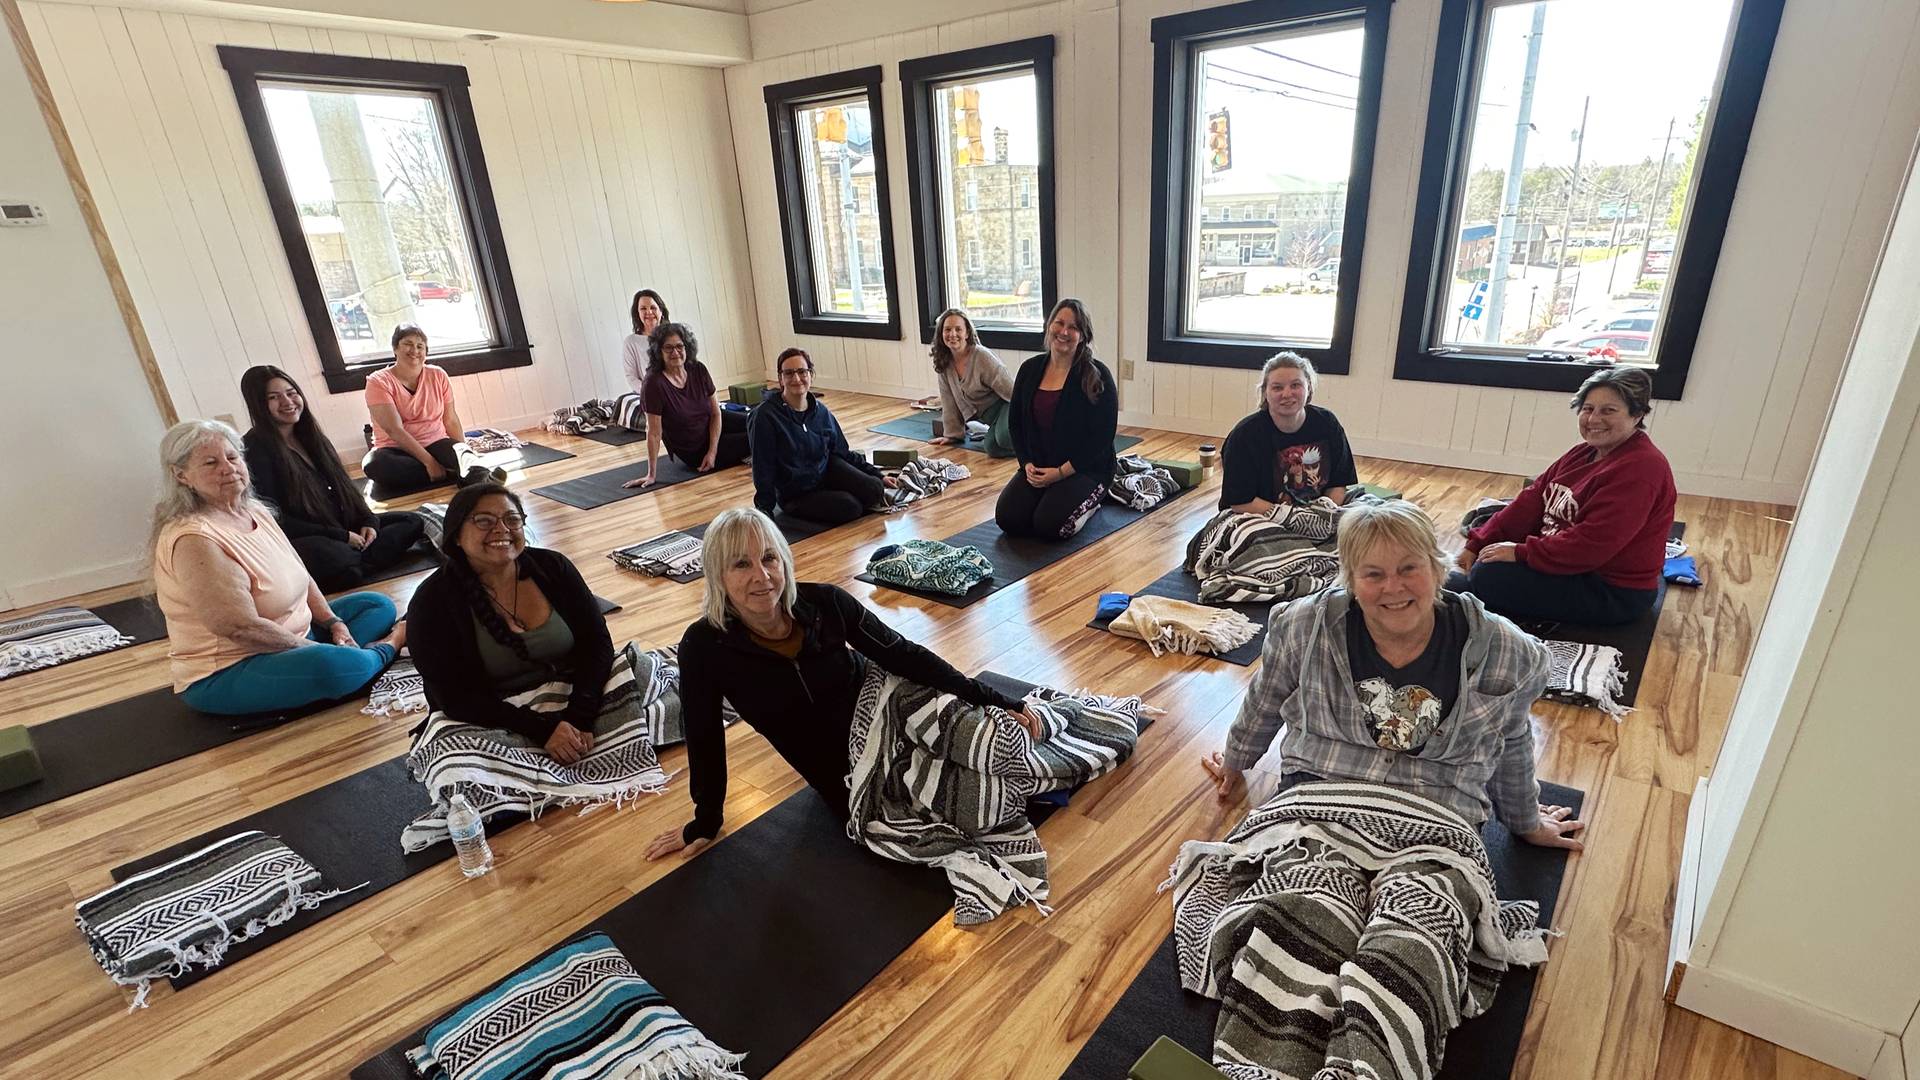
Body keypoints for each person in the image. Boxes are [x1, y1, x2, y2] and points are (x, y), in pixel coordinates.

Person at [1197, 499, 1584, 1079]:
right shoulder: (1303, 626)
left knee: (1413, 938)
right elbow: (1266, 698)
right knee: (1301, 916)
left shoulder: (1509, 652)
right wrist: (1237, 761)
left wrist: (1526, 822)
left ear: (1438, 566)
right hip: (1322, 805)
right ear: (1349, 579)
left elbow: (1510, 744)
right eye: (1372, 573)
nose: (1393, 587)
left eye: (1409, 568)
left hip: (1436, 820)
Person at [643, 508, 1040, 859]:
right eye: (741, 564)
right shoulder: (704, 646)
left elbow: (901, 654)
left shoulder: (826, 603)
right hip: (846, 773)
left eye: (769, 558)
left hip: (893, 708)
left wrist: (989, 697)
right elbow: (704, 736)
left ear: (784, 560)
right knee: (972, 805)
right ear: (718, 576)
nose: (761, 576)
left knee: (1000, 746)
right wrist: (706, 820)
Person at [150, 419, 403, 715]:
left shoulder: (255, 510)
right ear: (181, 475)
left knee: (376, 605)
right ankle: (392, 643)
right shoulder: (195, 540)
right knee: (338, 665)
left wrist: (334, 624)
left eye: (232, 457)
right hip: (234, 666)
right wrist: (318, 650)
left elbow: (302, 574)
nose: (228, 468)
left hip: (294, 637)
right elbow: (240, 628)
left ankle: (350, 659)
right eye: (210, 463)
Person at [405, 483, 616, 763]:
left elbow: (597, 643)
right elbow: (454, 697)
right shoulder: (432, 601)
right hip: (493, 712)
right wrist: (544, 730)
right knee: (456, 761)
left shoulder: (553, 567)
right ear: (456, 535)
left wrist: (580, 717)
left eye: (512, 519)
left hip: (573, 693)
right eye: (484, 521)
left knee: (651, 681)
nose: (502, 529)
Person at [1450, 366, 1676, 625]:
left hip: (1611, 589)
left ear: (1637, 415)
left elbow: (1592, 545)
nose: (1593, 419)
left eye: (1608, 410)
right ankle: (1469, 594)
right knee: (1487, 557)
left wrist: (1521, 553)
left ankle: (1471, 599)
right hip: (1568, 564)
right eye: (1588, 409)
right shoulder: (1582, 453)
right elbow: (1530, 501)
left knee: (1489, 575)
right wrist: (1477, 542)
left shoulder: (1641, 469)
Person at [239, 365, 426, 593]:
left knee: (411, 521)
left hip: (342, 525)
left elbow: (345, 489)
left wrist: (368, 522)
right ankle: (354, 561)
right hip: (310, 537)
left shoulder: (311, 436)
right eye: (274, 397)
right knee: (329, 555)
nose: (287, 402)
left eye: (291, 393)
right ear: (258, 404)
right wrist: (342, 536)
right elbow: (274, 518)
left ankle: (355, 564)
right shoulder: (254, 449)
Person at [996, 298, 1119, 540]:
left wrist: (1061, 473)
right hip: (1040, 466)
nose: (1064, 332)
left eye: (1073, 327)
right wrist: (1026, 463)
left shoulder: (1098, 375)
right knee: (1008, 519)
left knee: (1049, 526)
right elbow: (1015, 424)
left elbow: (1102, 438)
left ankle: (1092, 505)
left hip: (1085, 469)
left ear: (1082, 336)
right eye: (1059, 323)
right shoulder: (1030, 369)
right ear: (1049, 325)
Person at [748, 347, 896, 524]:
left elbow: (843, 452)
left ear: (810, 374)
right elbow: (762, 466)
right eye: (789, 373)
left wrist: (878, 475)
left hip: (825, 473)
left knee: (875, 489)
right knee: (851, 507)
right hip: (795, 493)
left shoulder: (821, 411)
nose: (796, 379)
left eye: (802, 372)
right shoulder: (765, 415)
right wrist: (764, 510)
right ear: (780, 378)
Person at [362, 324, 502, 493]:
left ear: (426, 352)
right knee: (374, 464)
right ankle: (450, 473)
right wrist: (429, 462)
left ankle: (483, 482)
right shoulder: (378, 381)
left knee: (464, 456)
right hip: (395, 449)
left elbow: (450, 420)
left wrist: (464, 450)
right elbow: (394, 430)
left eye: (420, 346)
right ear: (395, 348)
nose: (414, 350)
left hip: (436, 442)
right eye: (408, 344)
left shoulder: (438, 375)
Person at [1218, 351, 1357, 512]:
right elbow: (1240, 502)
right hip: (1260, 515)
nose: (1287, 394)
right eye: (1277, 387)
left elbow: (1338, 483)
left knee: (1372, 513)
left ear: (1308, 387)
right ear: (1265, 392)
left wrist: (1324, 514)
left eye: (1295, 385)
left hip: (1319, 511)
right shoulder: (1244, 435)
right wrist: (1296, 518)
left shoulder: (1327, 422)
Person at [619, 321, 749, 490]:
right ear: (659, 351)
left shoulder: (698, 369)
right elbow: (654, 433)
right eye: (668, 348)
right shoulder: (653, 383)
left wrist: (714, 449)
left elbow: (716, 413)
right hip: (696, 449)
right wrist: (651, 474)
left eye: (679, 346)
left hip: (712, 423)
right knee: (758, 435)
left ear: (687, 347)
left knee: (757, 420)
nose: (675, 352)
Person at [928, 307, 1015, 457]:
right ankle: (1029, 450)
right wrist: (952, 435)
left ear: (967, 333)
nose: (952, 334)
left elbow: (1011, 390)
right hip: (991, 419)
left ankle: (1039, 444)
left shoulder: (982, 356)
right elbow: (949, 401)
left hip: (1009, 406)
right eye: (947, 330)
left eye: (958, 329)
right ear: (941, 333)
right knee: (991, 448)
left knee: (1004, 438)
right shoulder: (944, 363)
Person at [620, 289, 668, 396]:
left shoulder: (674, 337)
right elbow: (631, 377)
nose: (649, 312)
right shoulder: (631, 342)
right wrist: (650, 392)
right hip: (650, 395)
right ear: (638, 314)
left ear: (661, 311)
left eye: (653, 307)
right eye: (643, 308)